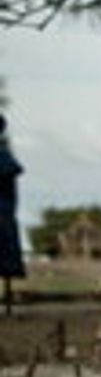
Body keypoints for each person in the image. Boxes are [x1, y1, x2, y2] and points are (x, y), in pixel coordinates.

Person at [0, 115, 25, 316]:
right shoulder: (6, 154)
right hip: (5, 213)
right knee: (6, 264)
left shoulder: (4, 155)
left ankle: (7, 307)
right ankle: (7, 307)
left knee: (6, 262)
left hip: (3, 213)